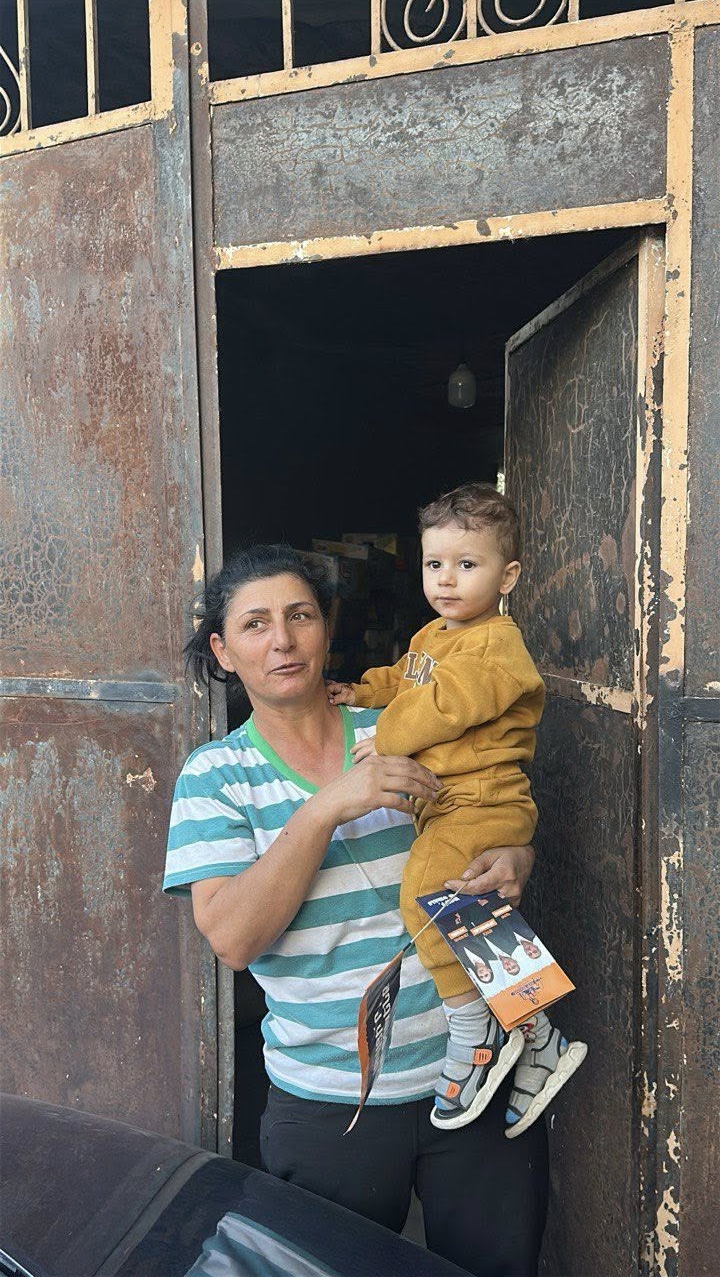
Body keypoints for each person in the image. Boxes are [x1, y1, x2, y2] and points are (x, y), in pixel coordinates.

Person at [163, 544, 547, 1277]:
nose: (282, 640)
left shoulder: (407, 723)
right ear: (223, 651)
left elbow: (496, 798)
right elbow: (234, 940)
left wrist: (515, 856)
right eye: (255, 624)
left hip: (486, 1067)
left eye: (300, 616)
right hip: (335, 1100)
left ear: (326, 627)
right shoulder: (215, 777)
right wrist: (324, 809)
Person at [327, 484, 586, 1136]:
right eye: (434, 564)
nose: (446, 579)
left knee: (423, 897)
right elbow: (406, 678)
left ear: (508, 577)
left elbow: (445, 706)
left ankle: (474, 1034)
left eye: (467, 565)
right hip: (452, 805)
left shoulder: (496, 644)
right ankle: (540, 1038)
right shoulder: (434, 635)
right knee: (473, 915)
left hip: (483, 801)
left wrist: (384, 736)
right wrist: (362, 690)